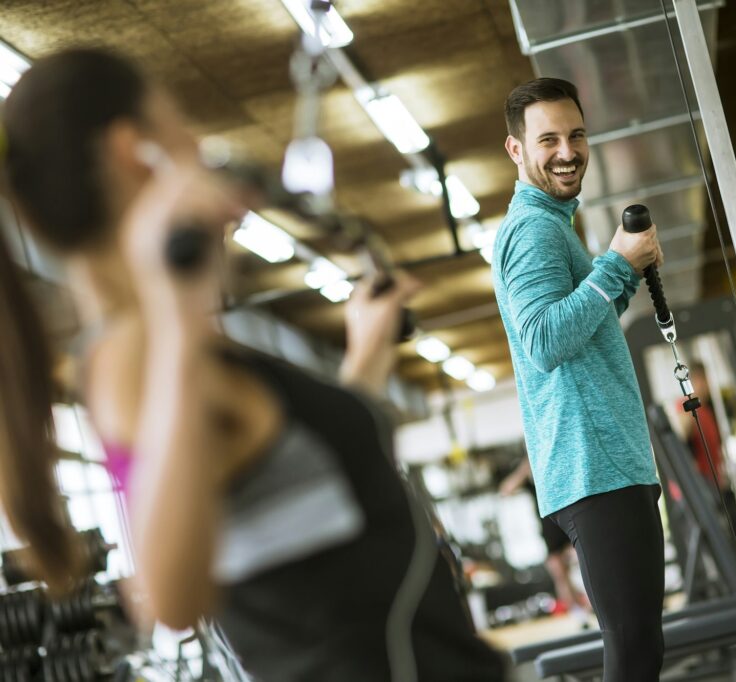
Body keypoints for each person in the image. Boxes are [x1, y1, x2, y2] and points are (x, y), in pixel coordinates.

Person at [0, 48, 505, 681]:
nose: (196, 143)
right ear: (137, 150)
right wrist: (178, 311)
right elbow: (166, 592)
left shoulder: (151, 347)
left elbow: (290, 477)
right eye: (177, 121)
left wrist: (364, 357)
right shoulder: (135, 351)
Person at [492, 77, 666, 681]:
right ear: (516, 150)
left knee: (640, 639)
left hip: (608, 461)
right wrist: (616, 263)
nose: (567, 151)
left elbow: (579, 328)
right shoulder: (533, 230)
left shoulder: (556, 224)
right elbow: (544, 341)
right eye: (548, 139)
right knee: (635, 643)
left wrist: (622, 273)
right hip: (594, 465)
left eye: (576, 135)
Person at [498, 457, 591, 622]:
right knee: (560, 573)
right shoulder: (533, 484)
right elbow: (506, 490)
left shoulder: (557, 471)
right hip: (549, 529)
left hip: (569, 521)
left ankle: (592, 602)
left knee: (586, 563)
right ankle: (577, 610)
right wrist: (524, 469)